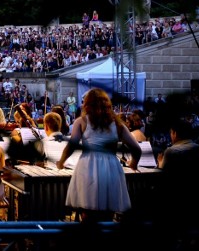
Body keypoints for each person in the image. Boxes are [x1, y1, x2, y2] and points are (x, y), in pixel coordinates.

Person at [56, 88, 141, 223]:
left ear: (87, 104)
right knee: (108, 215)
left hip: (88, 167)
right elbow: (136, 149)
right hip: (111, 168)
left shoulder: (81, 121)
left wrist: (61, 162)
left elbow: (72, 146)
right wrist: (134, 163)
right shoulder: (118, 124)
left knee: (87, 215)